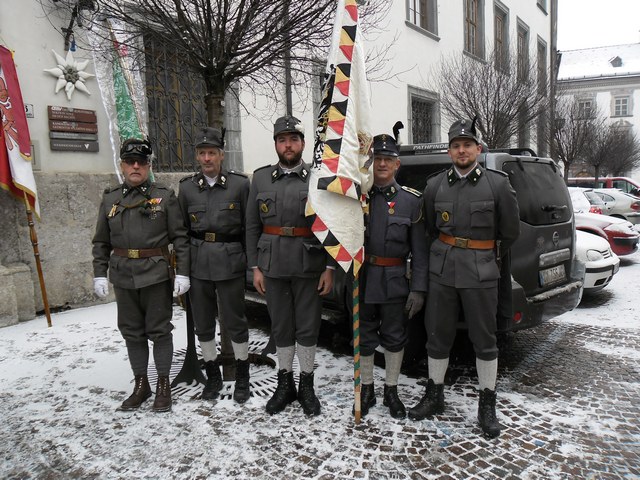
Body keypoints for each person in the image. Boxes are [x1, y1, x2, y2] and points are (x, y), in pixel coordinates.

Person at [408, 118, 520, 438]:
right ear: (449, 151)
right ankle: (435, 394)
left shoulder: (498, 184)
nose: (461, 150)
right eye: (456, 146)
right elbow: (430, 227)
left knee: (485, 340)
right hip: (442, 271)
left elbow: (510, 232)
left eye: (467, 145)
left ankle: (487, 404)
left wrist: (484, 255)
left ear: (478, 149)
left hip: (481, 270)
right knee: (437, 335)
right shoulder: (434, 186)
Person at [92, 138, 190, 413]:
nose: (136, 166)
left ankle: (163, 385)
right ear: (122, 165)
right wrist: (100, 273)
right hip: (123, 276)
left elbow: (180, 238)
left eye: (141, 162)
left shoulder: (164, 196)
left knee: (160, 332)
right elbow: (101, 241)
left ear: (148, 165)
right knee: (132, 333)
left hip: (155, 275)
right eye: (130, 162)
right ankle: (141, 384)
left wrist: (183, 272)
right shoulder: (111, 198)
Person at [245, 115, 334, 416]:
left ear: (302, 144)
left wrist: (329, 268)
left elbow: (331, 224)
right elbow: (251, 226)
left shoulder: (318, 178)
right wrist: (256, 266)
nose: (288, 145)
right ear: (276, 144)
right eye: (282, 140)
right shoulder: (259, 179)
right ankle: (285, 384)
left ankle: (306, 384)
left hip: (309, 263)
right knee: (281, 326)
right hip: (272, 265)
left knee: (308, 326)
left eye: (293, 139)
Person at [358, 126, 428, 419]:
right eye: (378, 159)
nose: (383, 164)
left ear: (397, 164)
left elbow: (421, 251)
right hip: (362, 279)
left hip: (396, 281)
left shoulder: (411, 201)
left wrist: (419, 289)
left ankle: (391, 390)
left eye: (388, 159)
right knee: (364, 337)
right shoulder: (359, 199)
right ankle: (366, 388)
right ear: (370, 163)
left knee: (395, 337)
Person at [177, 127, 251, 403]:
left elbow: (249, 228)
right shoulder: (186, 188)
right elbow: (181, 233)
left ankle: (242, 376)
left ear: (221, 155)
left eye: (212, 153)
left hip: (230, 262)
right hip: (198, 265)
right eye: (202, 153)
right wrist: (182, 271)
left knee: (235, 321)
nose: (207, 159)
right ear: (197, 156)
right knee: (204, 323)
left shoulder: (240, 185)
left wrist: (250, 264)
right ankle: (213, 374)